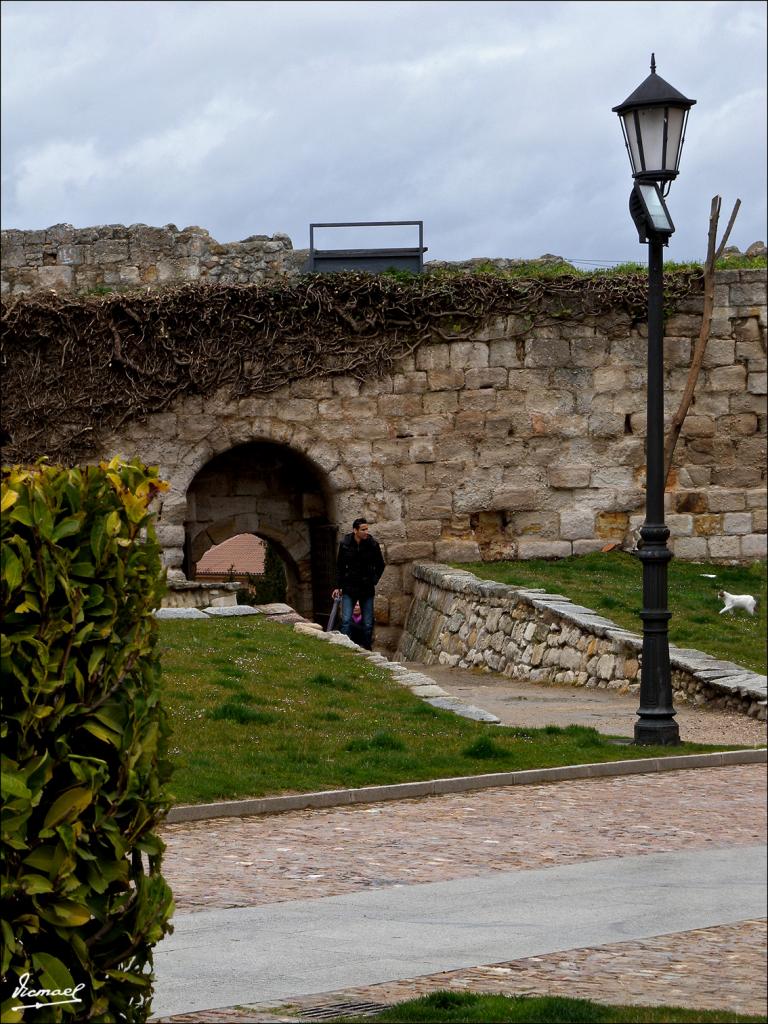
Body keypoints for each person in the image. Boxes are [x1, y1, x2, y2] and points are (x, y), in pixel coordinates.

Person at [332, 517, 385, 651]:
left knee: (367, 622)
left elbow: (380, 564)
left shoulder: (372, 544)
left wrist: (373, 579)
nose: (366, 532)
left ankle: (366, 648)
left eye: (367, 529)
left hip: (366, 588)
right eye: (363, 529)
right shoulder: (345, 543)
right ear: (355, 530)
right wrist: (339, 585)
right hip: (349, 587)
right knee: (346, 621)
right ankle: (344, 648)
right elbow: (340, 566)